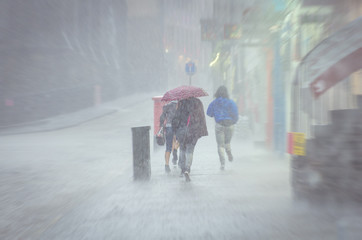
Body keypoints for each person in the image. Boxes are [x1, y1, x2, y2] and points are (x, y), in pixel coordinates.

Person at [172, 97, 208, 182]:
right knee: (190, 150)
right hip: (193, 130)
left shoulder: (181, 103)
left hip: (182, 130)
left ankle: (182, 169)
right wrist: (201, 130)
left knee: (182, 149)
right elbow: (201, 117)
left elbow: (176, 118)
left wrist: (175, 130)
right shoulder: (198, 103)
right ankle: (187, 169)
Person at [207, 86, 238, 170]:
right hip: (229, 124)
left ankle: (222, 164)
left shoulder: (214, 102)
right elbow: (235, 113)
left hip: (219, 124)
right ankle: (229, 151)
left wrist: (215, 114)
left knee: (220, 145)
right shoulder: (231, 102)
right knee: (227, 142)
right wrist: (233, 121)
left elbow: (208, 113)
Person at [159, 100, 179, 173]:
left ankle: (166, 165)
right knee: (179, 140)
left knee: (168, 147)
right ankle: (176, 149)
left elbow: (162, 117)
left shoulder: (167, 106)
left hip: (169, 126)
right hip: (178, 126)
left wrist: (161, 126)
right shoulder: (181, 106)